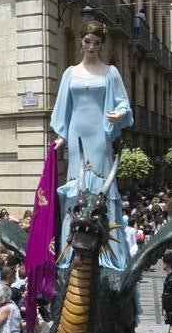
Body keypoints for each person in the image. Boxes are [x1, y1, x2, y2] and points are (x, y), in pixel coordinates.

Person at [50, 21, 133, 273]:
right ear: (81, 42)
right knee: (77, 186)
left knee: (100, 186)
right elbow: (65, 108)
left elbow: (124, 105)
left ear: (101, 45)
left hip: (100, 135)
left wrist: (119, 115)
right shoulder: (69, 73)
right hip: (76, 134)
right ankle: (69, 250)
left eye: (97, 43)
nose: (92, 47)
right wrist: (61, 138)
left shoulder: (111, 73)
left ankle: (107, 254)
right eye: (88, 41)